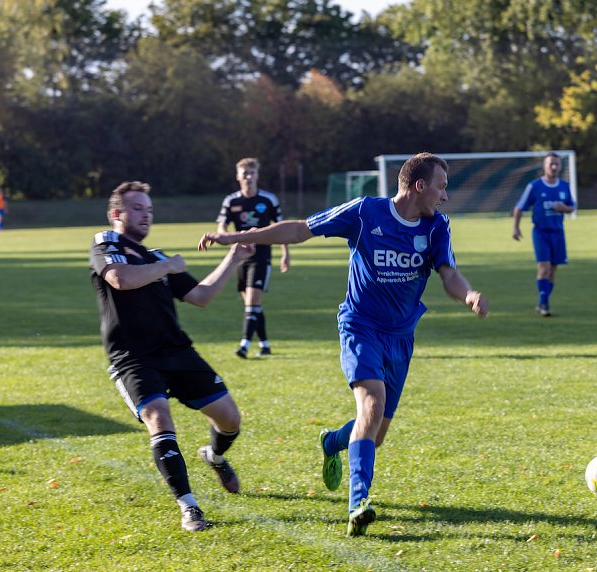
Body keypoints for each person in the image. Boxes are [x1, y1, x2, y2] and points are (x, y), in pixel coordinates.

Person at [199, 153, 488, 537]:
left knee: (375, 432)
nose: (445, 196)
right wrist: (237, 236)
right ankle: (358, 504)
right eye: (442, 186)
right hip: (360, 326)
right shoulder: (366, 212)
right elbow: (300, 229)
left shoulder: (437, 227)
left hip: (401, 336)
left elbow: (448, 274)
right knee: (371, 405)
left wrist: (467, 295)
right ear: (420, 185)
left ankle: (334, 441)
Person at [90, 181, 256, 532]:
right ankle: (189, 507)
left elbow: (201, 296)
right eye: (137, 208)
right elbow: (120, 279)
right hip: (133, 358)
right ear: (117, 214)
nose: (146, 215)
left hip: (176, 351)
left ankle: (215, 455)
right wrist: (166, 268)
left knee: (230, 420)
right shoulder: (105, 246)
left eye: (149, 209)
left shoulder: (158, 257)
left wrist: (234, 257)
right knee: (158, 417)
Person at [215, 157, 290, 358]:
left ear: (258, 175)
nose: (249, 177)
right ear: (238, 176)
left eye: (252, 173)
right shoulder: (231, 201)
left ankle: (244, 345)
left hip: (262, 255)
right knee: (251, 303)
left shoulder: (268, 200)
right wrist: (225, 235)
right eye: (245, 173)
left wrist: (285, 254)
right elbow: (222, 224)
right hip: (240, 256)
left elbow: (281, 229)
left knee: (253, 300)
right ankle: (265, 344)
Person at [512, 153, 576, 317]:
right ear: (544, 166)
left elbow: (572, 206)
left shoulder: (564, 186)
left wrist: (564, 208)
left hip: (558, 233)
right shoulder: (534, 186)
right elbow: (519, 208)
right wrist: (516, 228)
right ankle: (544, 304)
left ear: (560, 166)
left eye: (556, 164)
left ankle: (543, 301)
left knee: (553, 271)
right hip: (540, 233)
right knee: (544, 267)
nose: (554, 167)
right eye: (550, 164)